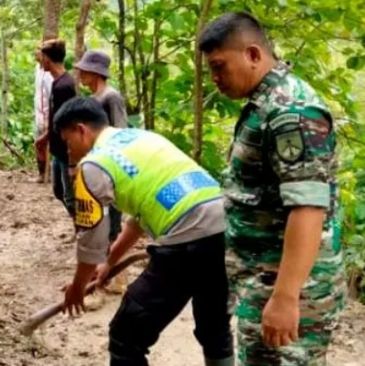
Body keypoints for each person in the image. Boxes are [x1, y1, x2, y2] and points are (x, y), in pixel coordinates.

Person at [199, 12, 345, 365]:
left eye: (220, 66)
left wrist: (285, 298)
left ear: (253, 54)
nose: (215, 78)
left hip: (288, 287)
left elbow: (308, 207)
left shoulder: (290, 111)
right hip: (263, 279)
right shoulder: (265, 105)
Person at [57, 97, 233, 366]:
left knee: (126, 335)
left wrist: (77, 287)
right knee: (214, 327)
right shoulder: (142, 138)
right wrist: (109, 264)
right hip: (223, 225)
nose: (69, 152)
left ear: (81, 129)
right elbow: (137, 221)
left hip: (187, 237)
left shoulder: (94, 164)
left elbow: (91, 238)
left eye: (68, 142)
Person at [75, 50, 128, 242]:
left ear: (96, 73)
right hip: (96, 160)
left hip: (110, 162)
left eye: (84, 70)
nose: (81, 74)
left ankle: (111, 254)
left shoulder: (111, 96)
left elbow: (120, 128)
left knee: (111, 211)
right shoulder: (93, 98)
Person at [35, 39, 77, 217]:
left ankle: (81, 231)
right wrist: (45, 137)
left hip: (66, 150)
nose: (40, 60)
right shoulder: (57, 83)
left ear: (47, 59)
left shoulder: (65, 86)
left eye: (42, 57)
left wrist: (72, 157)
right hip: (57, 148)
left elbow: (69, 121)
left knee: (70, 196)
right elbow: (55, 117)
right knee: (58, 191)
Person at [33, 47, 53, 183]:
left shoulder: (49, 74)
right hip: (38, 114)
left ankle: (48, 173)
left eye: (39, 52)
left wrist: (49, 117)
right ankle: (42, 173)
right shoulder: (38, 69)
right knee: (39, 145)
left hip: (47, 114)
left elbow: (51, 97)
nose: (36, 54)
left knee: (44, 144)